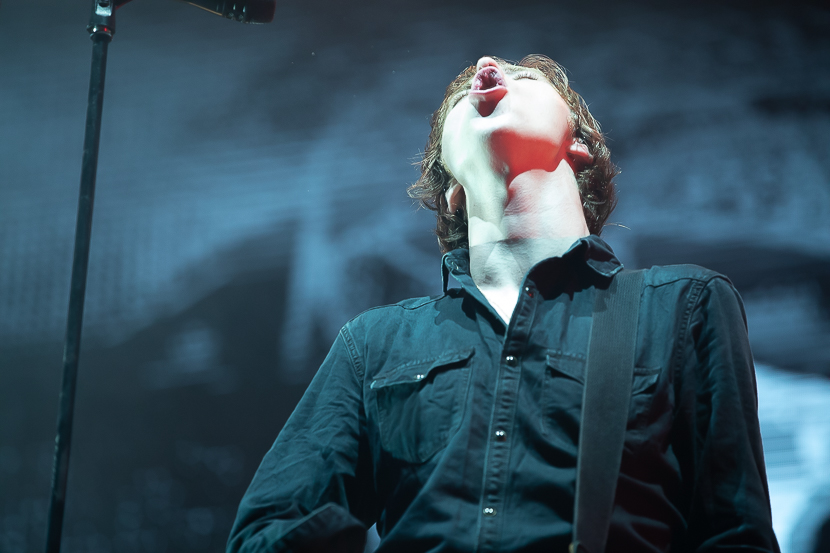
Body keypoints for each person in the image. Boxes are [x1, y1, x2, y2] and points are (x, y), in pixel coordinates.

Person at [227, 54, 780, 553]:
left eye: (526, 78)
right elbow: (265, 532)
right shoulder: (375, 343)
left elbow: (735, 534)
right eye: (460, 99)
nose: (487, 65)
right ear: (451, 186)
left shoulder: (683, 306)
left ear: (580, 144)